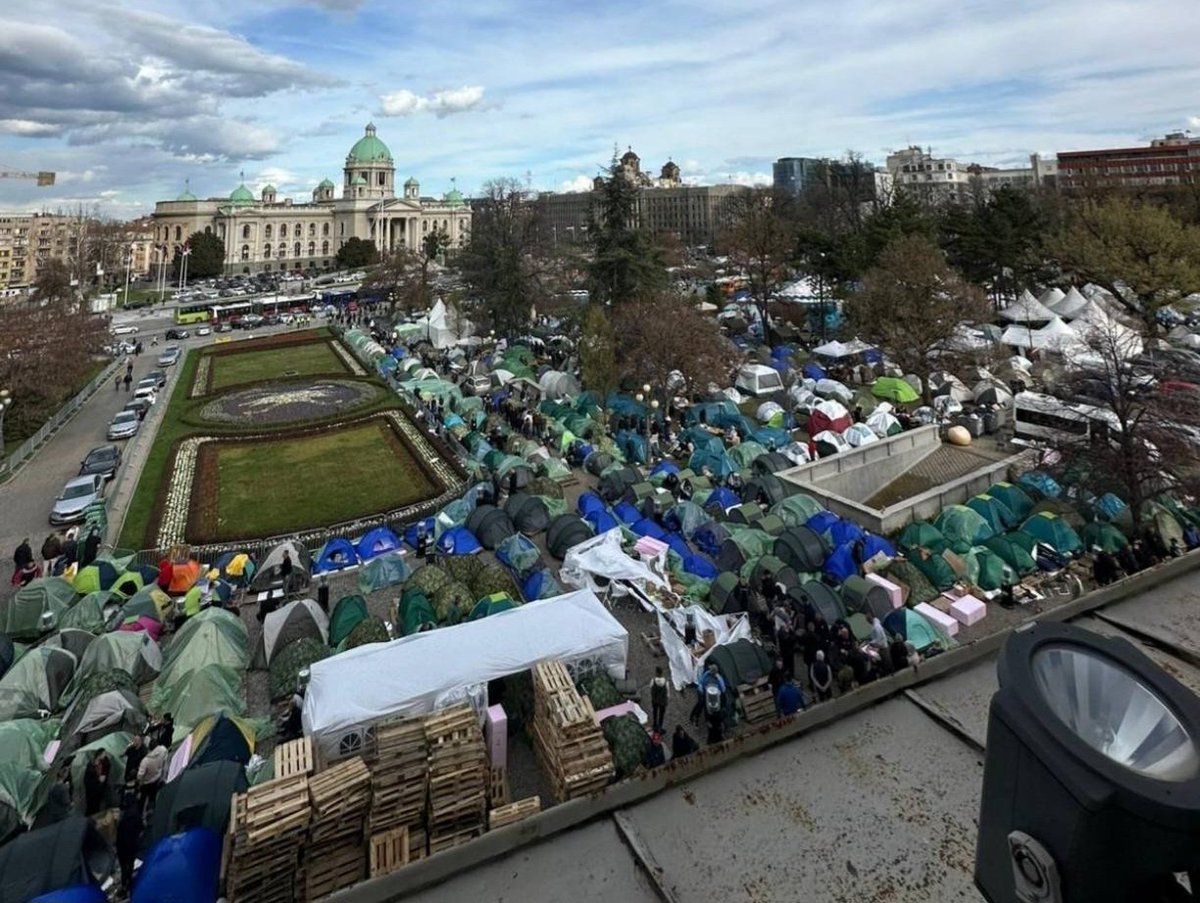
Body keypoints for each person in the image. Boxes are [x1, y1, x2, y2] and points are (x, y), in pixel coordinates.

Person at [116, 789, 144, 894]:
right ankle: (129, 880)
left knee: (123, 866)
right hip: (132, 845)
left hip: (122, 845)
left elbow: (119, 831)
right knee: (130, 863)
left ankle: (124, 884)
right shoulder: (137, 814)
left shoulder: (123, 816)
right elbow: (141, 829)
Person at [137, 741, 168, 814]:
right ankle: (152, 808)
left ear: (149, 748)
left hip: (146, 782)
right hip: (157, 777)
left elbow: (140, 775)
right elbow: (165, 759)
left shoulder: (145, 761)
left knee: (143, 797)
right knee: (153, 794)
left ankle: (141, 812)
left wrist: (139, 782)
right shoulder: (163, 749)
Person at [649, 667, 668, 734]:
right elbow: (668, 693)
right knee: (661, 714)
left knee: (655, 712)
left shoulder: (653, 681)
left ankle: (654, 724)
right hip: (662, 701)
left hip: (655, 700)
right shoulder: (666, 682)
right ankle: (660, 726)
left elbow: (651, 688)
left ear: (656, 673)